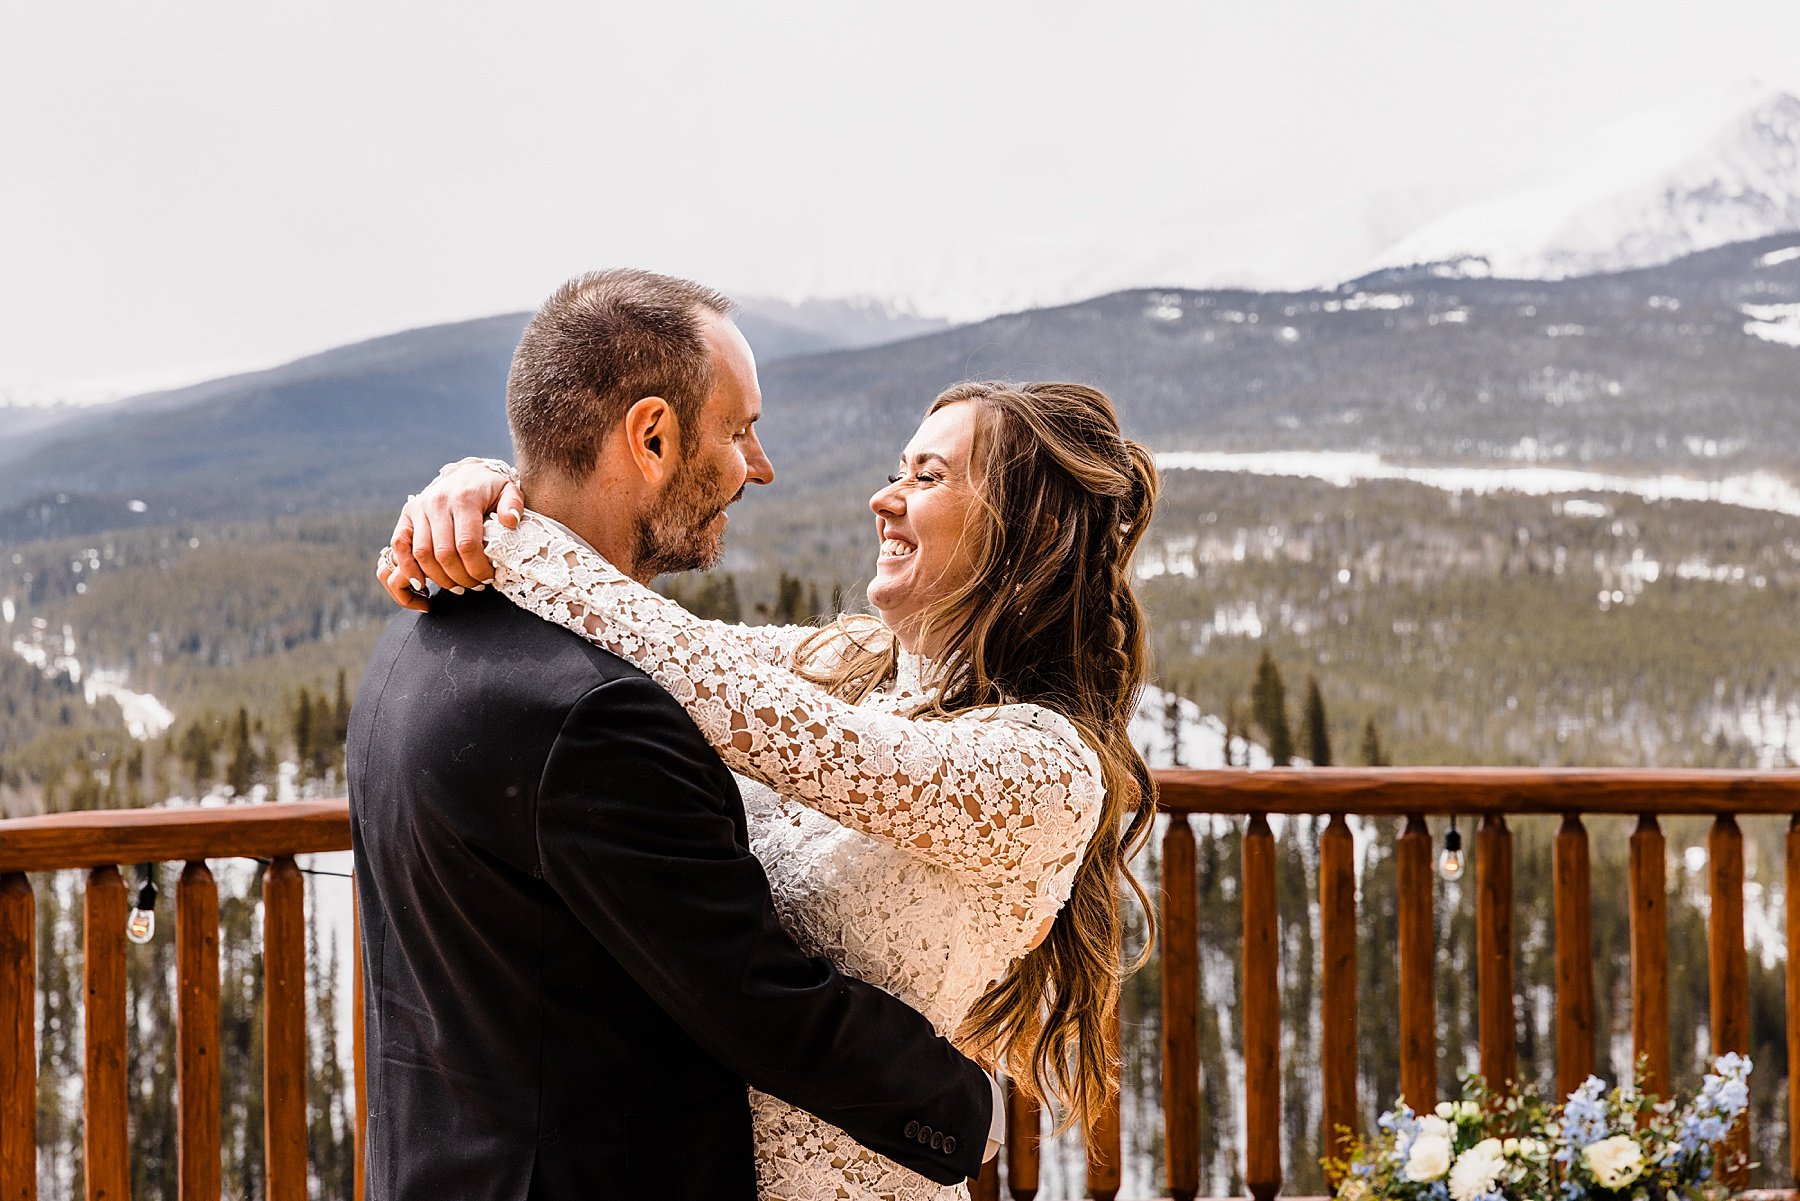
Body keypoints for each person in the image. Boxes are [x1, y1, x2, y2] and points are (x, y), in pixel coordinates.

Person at [384, 285, 1161, 1201]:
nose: (885, 497)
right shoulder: (864, 664)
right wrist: (491, 489)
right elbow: (676, 645)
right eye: (898, 468)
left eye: (929, 476)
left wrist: (512, 530)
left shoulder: (1041, 772)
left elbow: (722, 685)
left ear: (1026, 531)